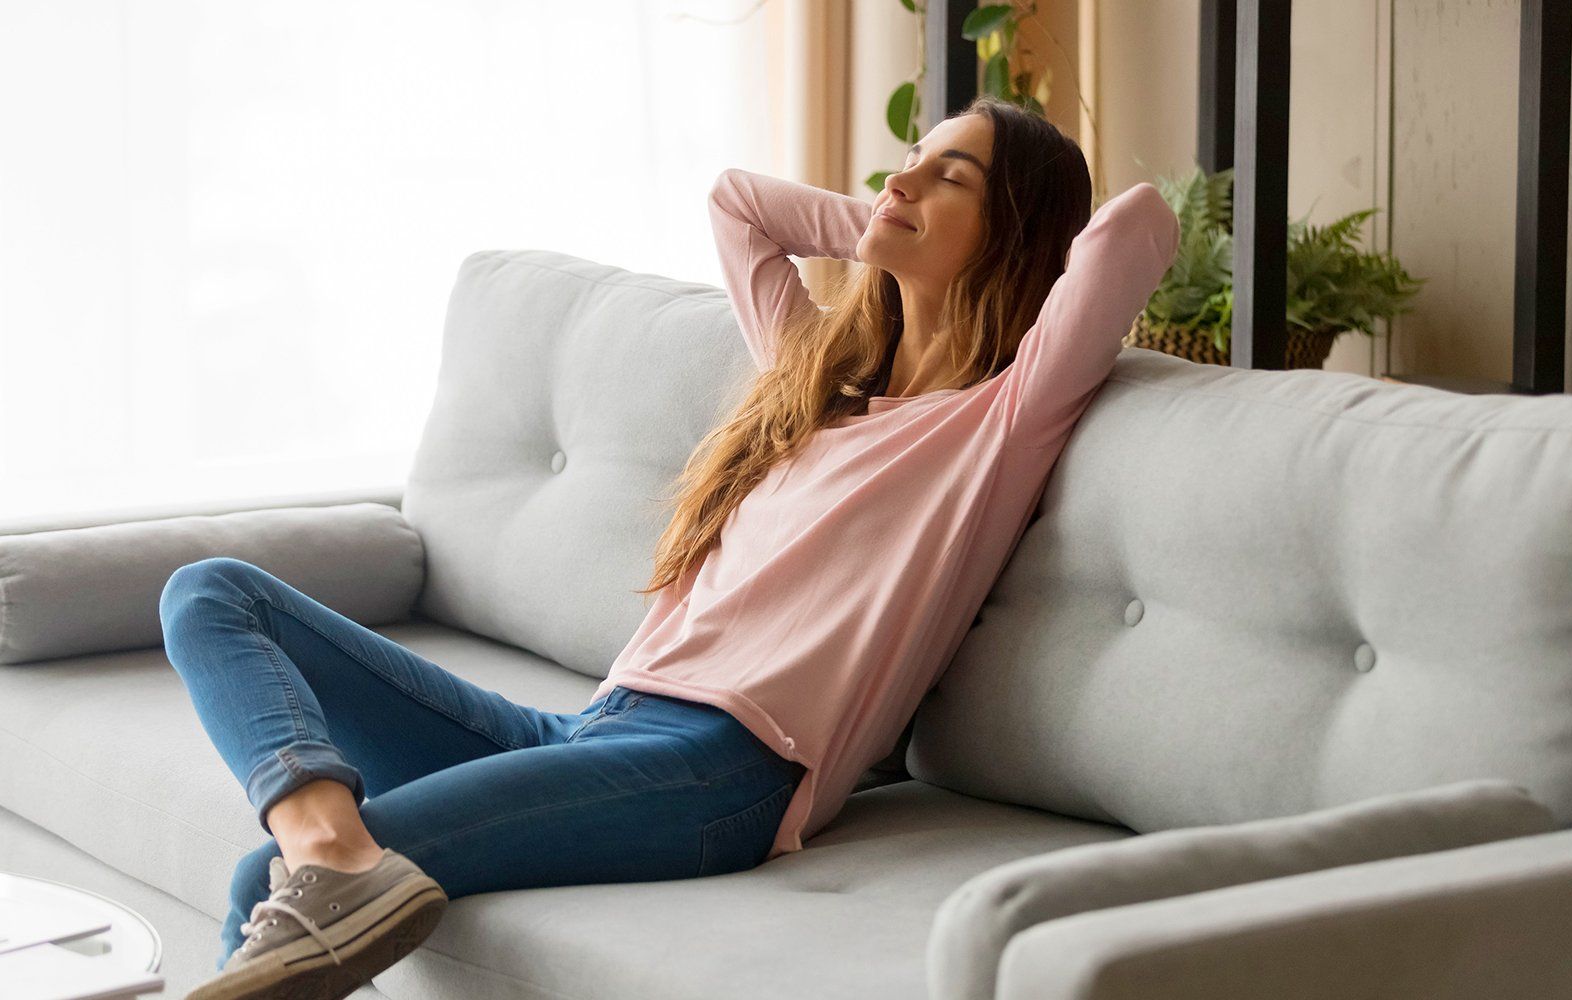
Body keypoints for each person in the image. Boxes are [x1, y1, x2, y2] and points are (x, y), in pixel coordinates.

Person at [162, 94, 1180, 999]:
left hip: (724, 768)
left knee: (268, 880)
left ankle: (332, 861)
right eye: (905, 159)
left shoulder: (1000, 417)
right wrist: (882, 219)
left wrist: (938, 225)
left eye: (948, 174)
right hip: (593, 730)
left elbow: (1139, 226)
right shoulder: (814, 381)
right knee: (212, 594)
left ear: (1012, 229)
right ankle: (333, 842)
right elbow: (737, 202)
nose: (900, 176)